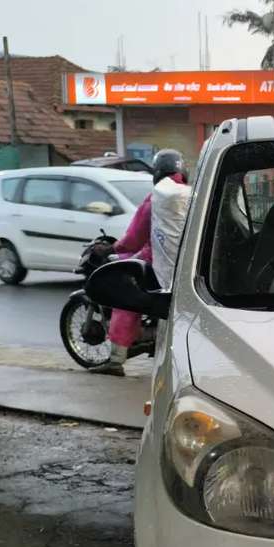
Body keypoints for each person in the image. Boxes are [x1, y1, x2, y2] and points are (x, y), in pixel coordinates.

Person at [89, 149, 187, 377]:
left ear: (157, 172)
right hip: (183, 266)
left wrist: (112, 248)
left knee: (123, 296)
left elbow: (134, 238)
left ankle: (115, 361)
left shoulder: (156, 198)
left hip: (155, 262)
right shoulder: (191, 195)